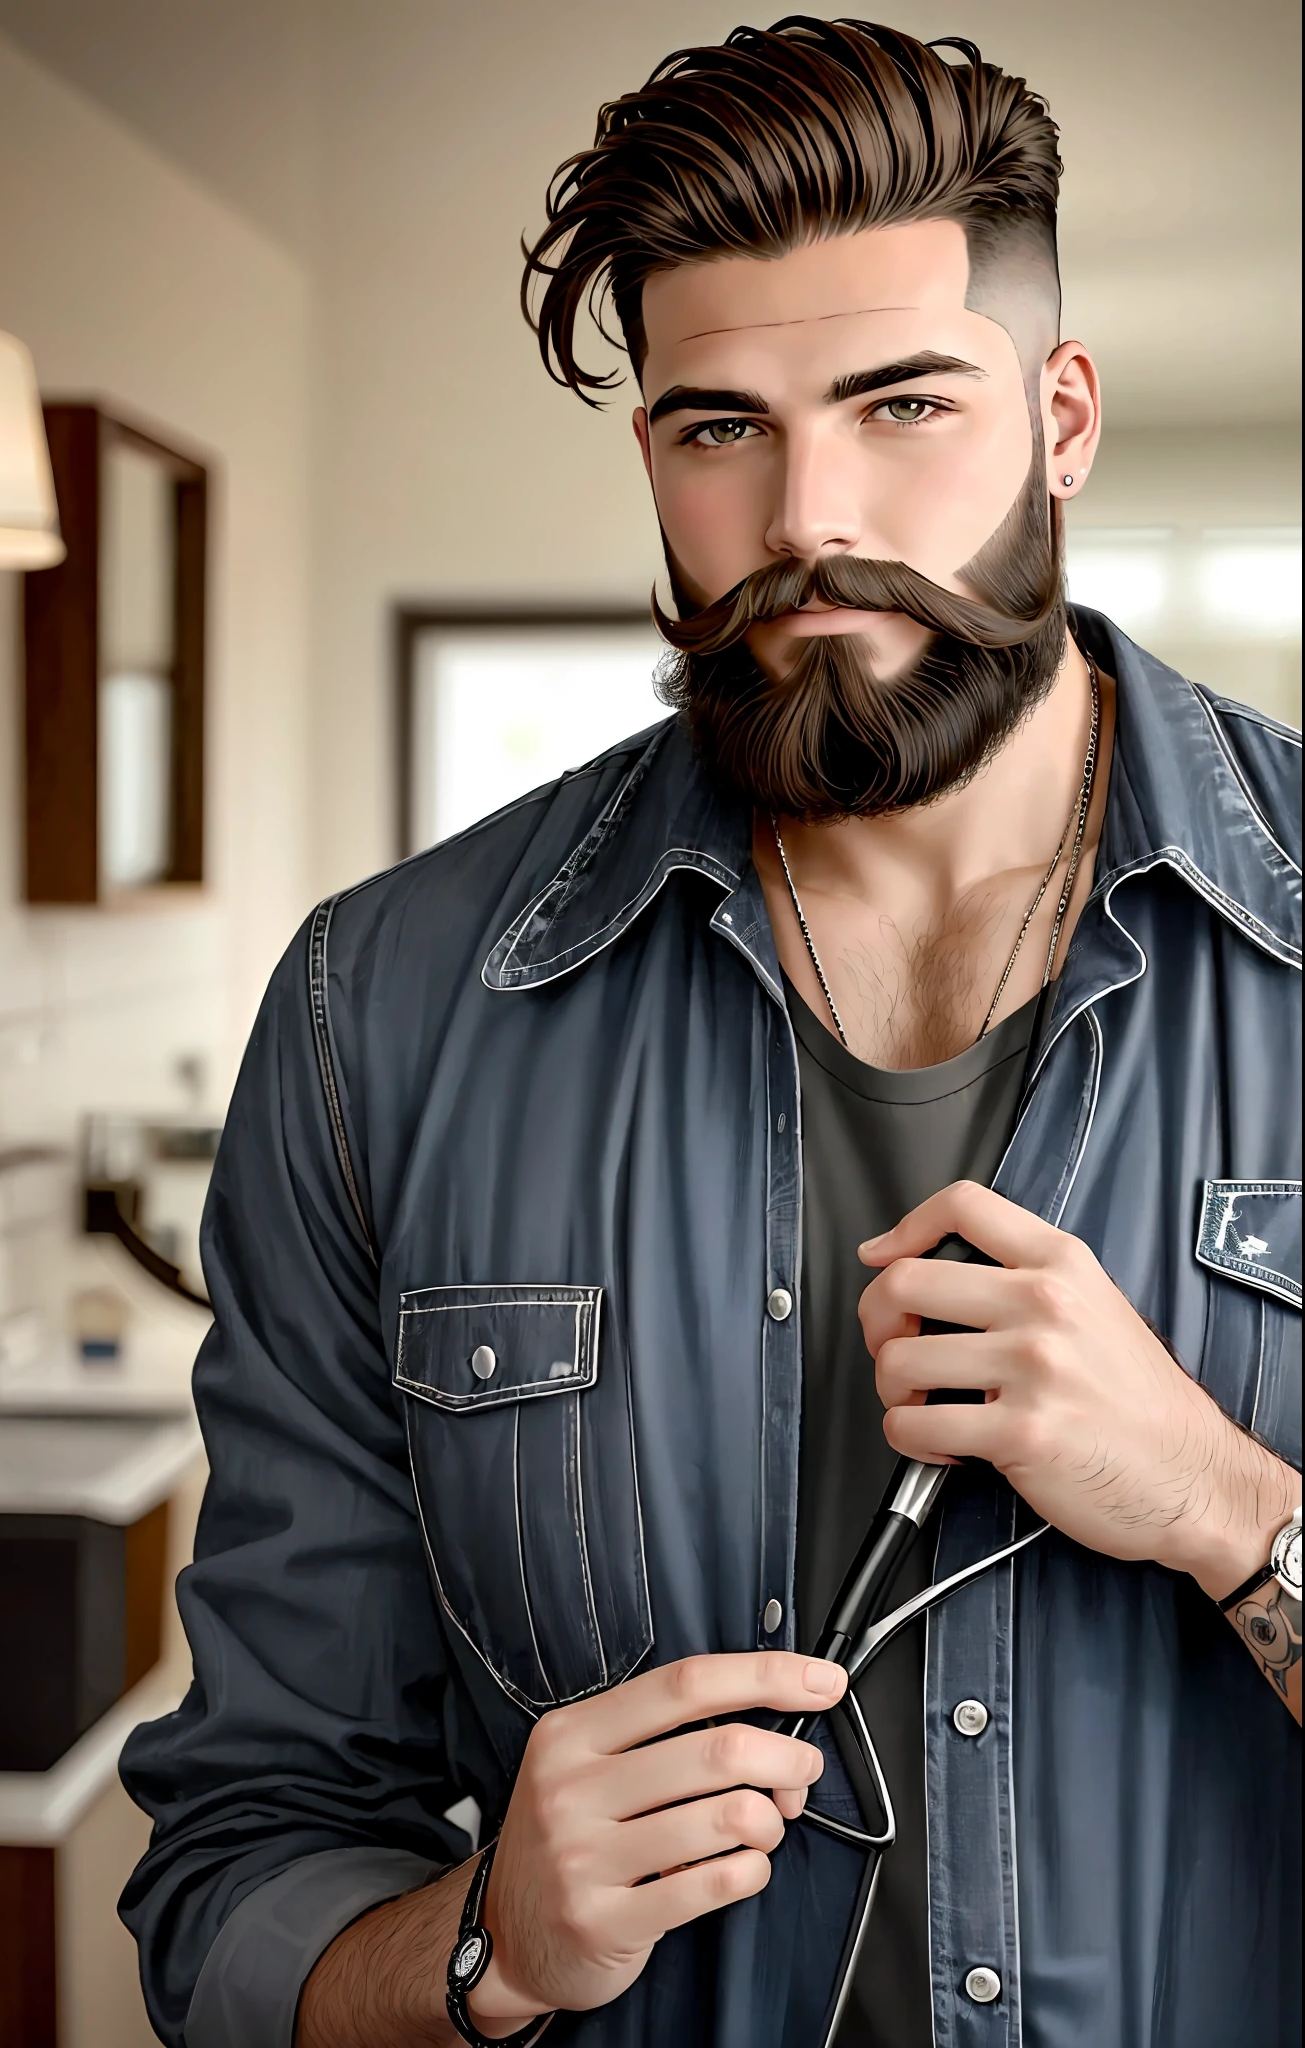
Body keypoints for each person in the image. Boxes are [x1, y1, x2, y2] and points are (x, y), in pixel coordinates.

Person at [119, 19, 1301, 2048]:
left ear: (1062, 416)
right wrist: (487, 1946)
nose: (801, 519)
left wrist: (1226, 1509)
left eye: (900, 401)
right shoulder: (372, 1014)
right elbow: (237, 1861)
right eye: (715, 426)